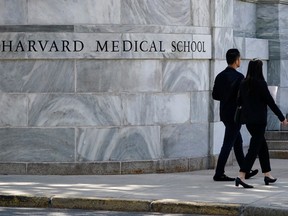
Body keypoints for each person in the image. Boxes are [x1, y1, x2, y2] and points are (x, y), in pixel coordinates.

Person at [235, 58, 288, 188]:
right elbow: (271, 102)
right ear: (259, 69)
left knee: (262, 146)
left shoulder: (243, 83)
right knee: (254, 148)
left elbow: (239, 102)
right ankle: (241, 175)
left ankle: (267, 174)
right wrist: (282, 118)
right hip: (259, 121)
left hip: (248, 121)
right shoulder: (261, 84)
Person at [212, 48, 258, 181]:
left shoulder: (220, 76)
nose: (240, 61)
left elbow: (215, 95)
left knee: (237, 142)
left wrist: (226, 97)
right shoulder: (239, 77)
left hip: (225, 113)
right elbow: (243, 97)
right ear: (236, 60)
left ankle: (245, 170)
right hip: (236, 115)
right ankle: (219, 173)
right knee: (228, 143)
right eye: (240, 58)